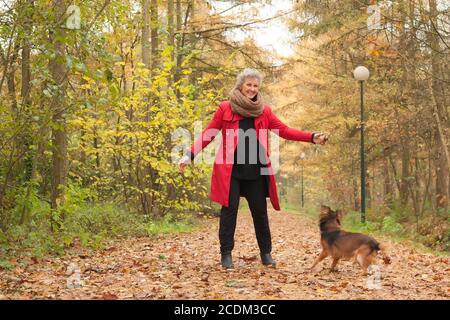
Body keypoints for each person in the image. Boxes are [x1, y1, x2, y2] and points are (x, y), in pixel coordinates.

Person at [178, 69, 328, 269]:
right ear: (240, 85)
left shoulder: (264, 111)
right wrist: (190, 154)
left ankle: (266, 253)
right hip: (231, 172)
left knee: (260, 213)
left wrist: (311, 136)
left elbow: (284, 131)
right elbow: (209, 133)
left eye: (255, 86)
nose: (252, 89)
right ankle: (226, 254)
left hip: (256, 171)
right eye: (249, 85)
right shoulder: (225, 108)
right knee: (229, 212)